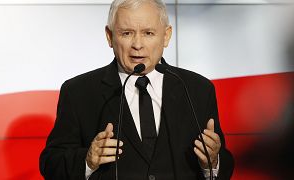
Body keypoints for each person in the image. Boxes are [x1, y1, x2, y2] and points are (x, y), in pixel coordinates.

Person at [39, 0, 234, 179]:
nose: (137, 45)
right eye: (127, 33)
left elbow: (224, 167)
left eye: (148, 33)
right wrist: (87, 160)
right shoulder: (78, 92)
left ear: (166, 36)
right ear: (109, 36)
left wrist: (212, 162)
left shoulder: (197, 89)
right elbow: (51, 164)